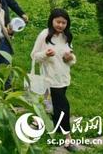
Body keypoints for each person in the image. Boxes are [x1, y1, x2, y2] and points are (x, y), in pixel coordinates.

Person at [31, 9, 77, 152]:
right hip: (49, 78)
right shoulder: (44, 35)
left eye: (64, 22)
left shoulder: (66, 37)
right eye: (58, 21)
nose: (60, 25)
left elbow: (70, 59)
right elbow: (34, 55)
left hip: (63, 77)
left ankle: (39, 123)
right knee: (63, 106)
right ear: (52, 20)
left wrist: (70, 58)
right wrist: (45, 54)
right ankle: (67, 139)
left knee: (50, 104)